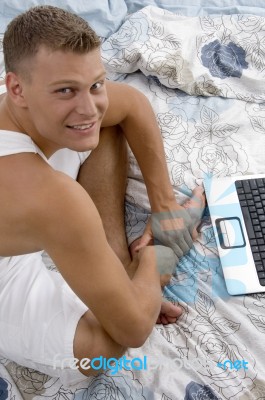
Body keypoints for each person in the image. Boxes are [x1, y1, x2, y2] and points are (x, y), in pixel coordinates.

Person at [0, 5, 205, 385]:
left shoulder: (25, 99)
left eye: (94, 84)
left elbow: (131, 104)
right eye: (66, 90)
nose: (88, 105)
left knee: (102, 127)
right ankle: (132, 270)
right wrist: (164, 250)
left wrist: (165, 208)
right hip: (6, 270)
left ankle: (114, 266)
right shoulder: (52, 198)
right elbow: (132, 332)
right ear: (16, 88)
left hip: (39, 208)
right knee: (100, 348)